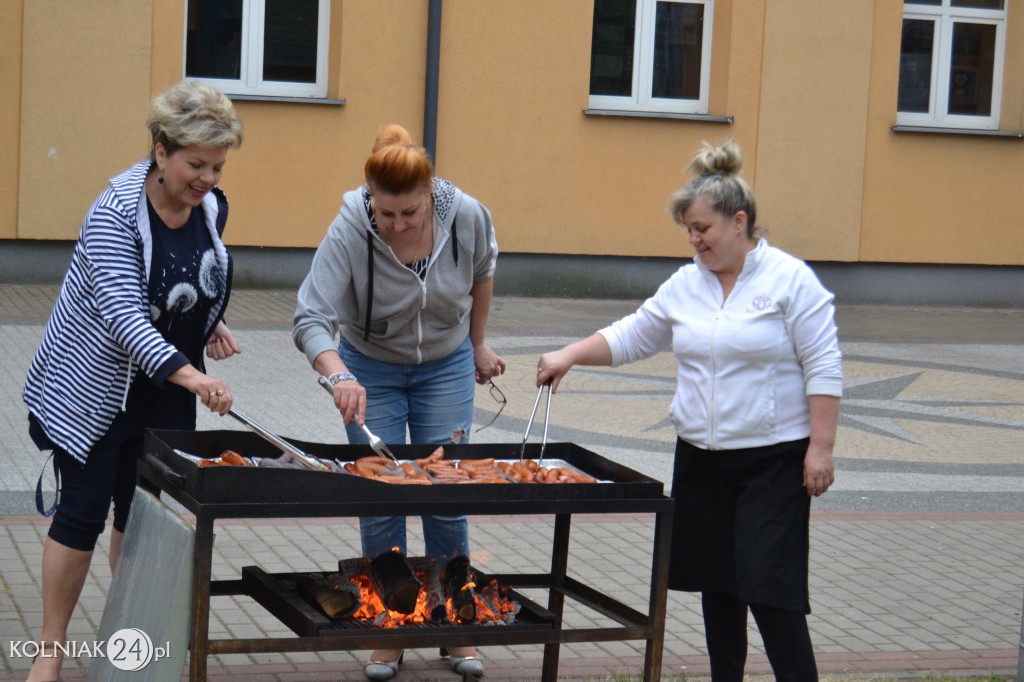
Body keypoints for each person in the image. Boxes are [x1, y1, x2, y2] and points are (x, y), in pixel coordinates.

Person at [536, 139, 842, 682]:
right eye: (689, 230)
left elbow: (823, 363)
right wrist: (571, 355)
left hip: (774, 462)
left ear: (739, 221)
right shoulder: (687, 283)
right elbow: (634, 335)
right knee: (717, 586)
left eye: (702, 228)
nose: (694, 239)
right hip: (702, 461)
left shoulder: (790, 280)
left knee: (770, 588)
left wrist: (821, 447)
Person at [21, 80, 244, 682]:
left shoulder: (212, 205)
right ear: (161, 151)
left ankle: (130, 647)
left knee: (143, 519)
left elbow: (198, 272)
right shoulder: (115, 212)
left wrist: (210, 319)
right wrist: (196, 377)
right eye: (196, 164)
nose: (207, 179)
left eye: (217, 166)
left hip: (164, 392)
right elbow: (122, 317)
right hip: (93, 389)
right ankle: (50, 651)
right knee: (83, 514)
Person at [293, 124, 504, 680]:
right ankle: (391, 623)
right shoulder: (349, 230)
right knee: (381, 493)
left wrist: (479, 343)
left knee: (445, 493)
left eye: (409, 213)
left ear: (429, 193)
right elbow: (310, 317)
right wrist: (338, 376)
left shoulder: (467, 216)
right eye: (386, 214)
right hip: (369, 368)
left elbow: (483, 273)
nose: (397, 224)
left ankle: (455, 624)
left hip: (447, 362)